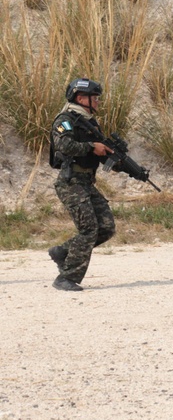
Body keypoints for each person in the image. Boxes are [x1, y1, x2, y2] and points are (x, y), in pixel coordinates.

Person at [47, 78, 117, 292]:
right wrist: (91, 147)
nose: (97, 102)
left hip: (86, 182)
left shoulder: (89, 123)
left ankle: (62, 252)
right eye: (94, 98)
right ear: (80, 98)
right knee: (88, 229)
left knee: (106, 228)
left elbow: (99, 152)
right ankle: (66, 278)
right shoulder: (65, 120)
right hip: (71, 183)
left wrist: (117, 160)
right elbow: (63, 144)